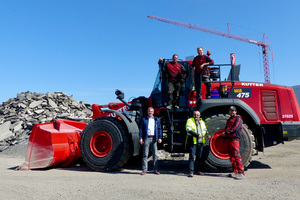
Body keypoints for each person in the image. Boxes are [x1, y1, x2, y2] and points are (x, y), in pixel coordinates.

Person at [222, 106, 245, 180]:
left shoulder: (238, 118)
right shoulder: (229, 119)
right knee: (232, 156)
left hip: (234, 139)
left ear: (236, 111)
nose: (232, 112)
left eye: (233, 111)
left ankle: (241, 172)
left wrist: (226, 133)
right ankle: (235, 172)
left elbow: (235, 128)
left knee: (236, 155)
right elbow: (227, 128)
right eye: (230, 111)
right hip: (229, 139)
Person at [186, 110, 210, 177]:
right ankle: (191, 172)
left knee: (199, 157)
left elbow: (205, 130)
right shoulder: (190, 121)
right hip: (193, 142)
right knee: (192, 157)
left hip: (200, 142)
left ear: (199, 116)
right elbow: (188, 130)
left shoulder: (202, 122)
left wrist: (207, 135)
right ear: (193, 115)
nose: (196, 116)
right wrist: (197, 135)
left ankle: (198, 170)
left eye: (197, 115)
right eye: (195, 115)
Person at [139, 107, 162, 175]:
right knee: (145, 154)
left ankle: (156, 170)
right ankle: (144, 170)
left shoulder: (156, 120)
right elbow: (141, 129)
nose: (150, 112)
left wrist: (160, 137)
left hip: (154, 138)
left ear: (153, 112)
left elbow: (159, 129)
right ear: (147, 112)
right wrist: (140, 138)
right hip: (146, 138)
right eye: (149, 111)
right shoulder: (144, 119)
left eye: (151, 111)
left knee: (155, 155)